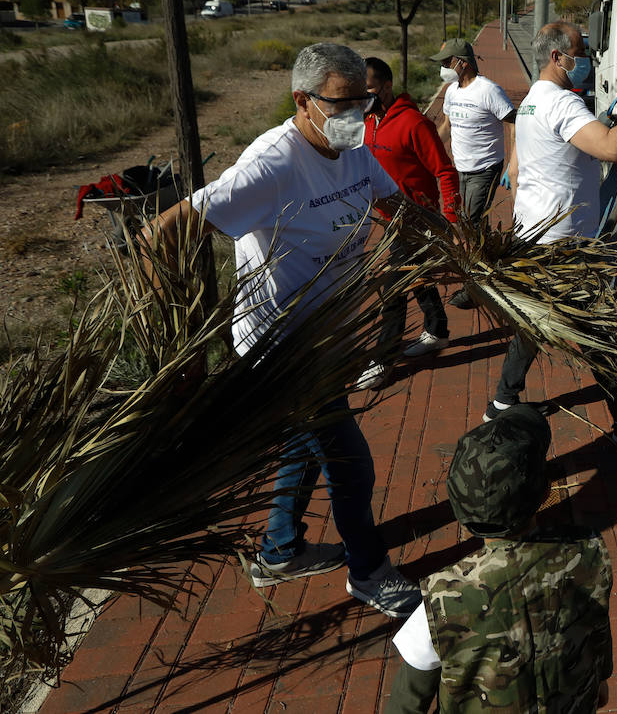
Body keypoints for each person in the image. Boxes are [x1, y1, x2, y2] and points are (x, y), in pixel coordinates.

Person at [142, 42, 421, 618]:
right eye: (345, 104)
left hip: (326, 335)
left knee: (304, 444)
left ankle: (278, 552)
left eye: (365, 101)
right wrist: (179, 341)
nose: (359, 115)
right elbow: (161, 234)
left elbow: (396, 204)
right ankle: (369, 571)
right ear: (304, 100)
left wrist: (454, 242)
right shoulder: (272, 164)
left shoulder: (354, 148)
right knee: (350, 461)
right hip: (280, 345)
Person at [488, 21, 617, 445]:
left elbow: (517, 170)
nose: (588, 62)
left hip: (534, 235)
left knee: (536, 322)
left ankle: (501, 402)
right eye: (580, 54)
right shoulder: (562, 104)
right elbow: (613, 147)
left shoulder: (532, 103)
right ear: (557, 58)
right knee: (595, 329)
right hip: (564, 246)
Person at [384, 403, 612, 713]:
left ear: (461, 516)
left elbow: (406, 704)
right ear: (546, 495)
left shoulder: (442, 599)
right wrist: (598, 681)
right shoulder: (588, 553)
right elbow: (597, 639)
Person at [353, 56, 462, 390]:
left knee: (394, 286)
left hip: (415, 218)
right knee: (416, 274)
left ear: (387, 86)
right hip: (389, 219)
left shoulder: (414, 123)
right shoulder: (369, 122)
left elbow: (445, 171)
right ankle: (438, 328)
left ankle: (384, 358)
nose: (364, 98)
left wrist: (450, 220)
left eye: (369, 90)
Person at [430, 38, 516, 309]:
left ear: (462, 62)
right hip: (461, 168)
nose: (444, 67)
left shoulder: (489, 90)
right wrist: (427, 152)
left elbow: (513, 124)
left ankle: (476, 288)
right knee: (471, 224)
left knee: (471, 223)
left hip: (486, 167)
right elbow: (446, 125)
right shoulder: (453, 91)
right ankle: (489, 270)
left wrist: (514, 163)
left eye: (447, 62)